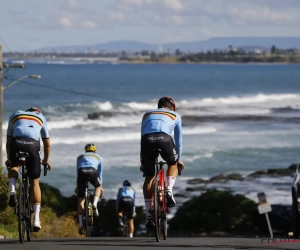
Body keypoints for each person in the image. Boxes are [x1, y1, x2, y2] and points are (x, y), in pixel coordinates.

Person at [140, 96, 184, 228]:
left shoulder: (147, 113)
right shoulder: (175, 115)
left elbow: (142, 136)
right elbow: (178, 140)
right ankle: (169, 190)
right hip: (165, 139)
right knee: (172, 164)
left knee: (149, 176)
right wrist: (178, 159)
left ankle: (148, 214)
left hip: (146, 141)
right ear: (172, 107)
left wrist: (142, 161)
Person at [5, 107, 51, 232]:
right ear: (37, 112)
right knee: (34, 182)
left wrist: (9, 159)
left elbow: (8, 142)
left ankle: (12, 190)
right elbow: (46, 144)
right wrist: (46, 160)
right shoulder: (41, 117)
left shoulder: (15, 114)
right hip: (32, 145)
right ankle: (36, 219)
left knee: (14, 165)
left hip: (16, 143)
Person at [76, 143, 104, 235]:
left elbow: (78, 171)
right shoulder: (99, 157)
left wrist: (78, 187)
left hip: (82, 172)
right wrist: (100, 187)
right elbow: (100, 173)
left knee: (81, 199)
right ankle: (95, 204)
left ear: (85, 150)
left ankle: (80, 225)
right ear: (94, 150)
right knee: (97, 186)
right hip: (93, 171)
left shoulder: (80, 157)